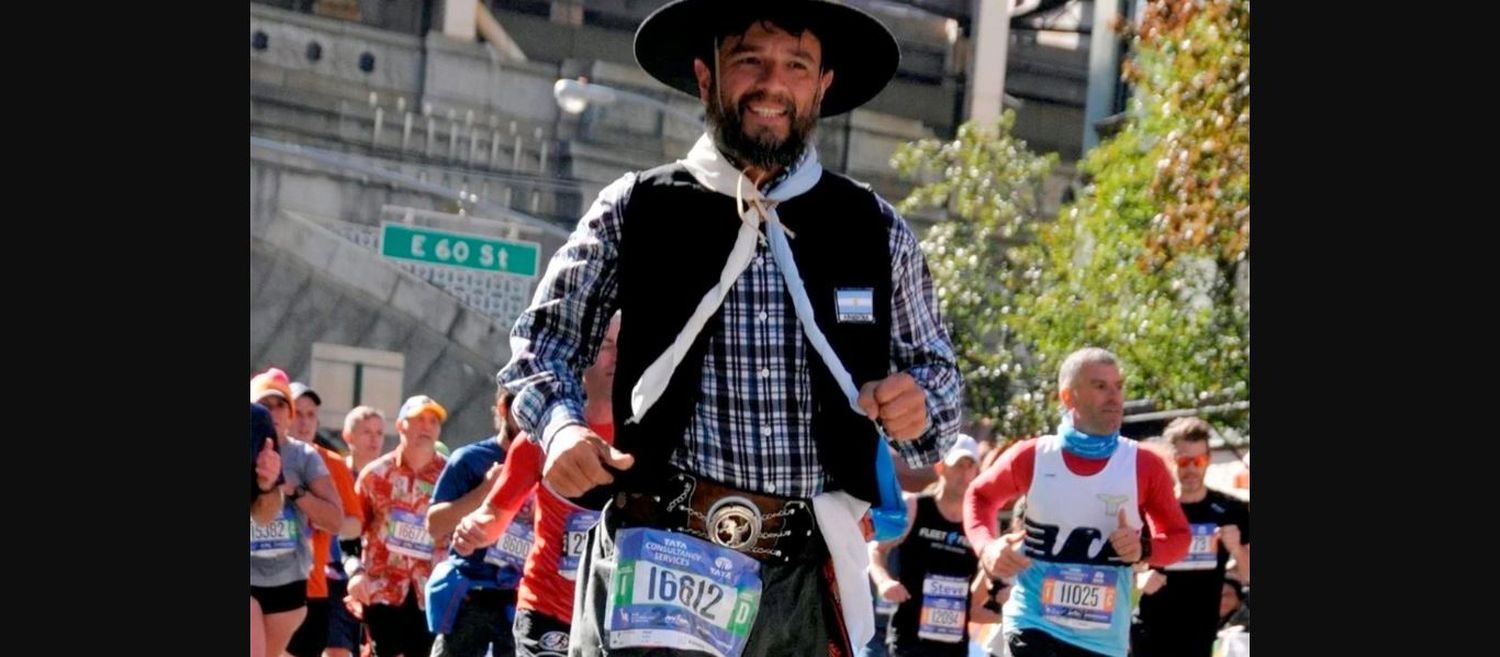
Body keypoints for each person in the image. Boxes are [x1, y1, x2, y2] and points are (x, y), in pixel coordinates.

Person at [497, 1, 962, 653]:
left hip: (806, 576)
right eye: (750, 60)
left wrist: (919, 407)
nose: (773, 83)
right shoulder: (637, 208)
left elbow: (940, 385)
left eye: (796, 64)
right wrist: (561, 427)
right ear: (707, 76)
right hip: (659, 555)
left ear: (823, 84)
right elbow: (541, 345)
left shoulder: (876, 230)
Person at [962, 348, 1190, 657]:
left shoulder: (1144, 464)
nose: (1114, 397)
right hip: (1033, 624)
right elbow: (979, 496)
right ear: (1068, 397)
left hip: (1103, 640)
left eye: (1118, 386)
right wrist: (987, 548)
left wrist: (1144, 549)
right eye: (1100, 386)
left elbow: (1178, 538)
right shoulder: (1033, 456)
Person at [451, 313, 620, 657]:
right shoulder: (544, 435)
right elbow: (493, 516)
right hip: (546, 611)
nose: (617, 357)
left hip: (618, 617)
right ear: (582, 357)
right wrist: (473, 529)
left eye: (625, 347)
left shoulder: (656, 440)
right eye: (605, 346)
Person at [1132, 418, 1250, 657]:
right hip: (1150, 629)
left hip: (1199, 633)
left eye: (1199, 461)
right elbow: (1124, 565)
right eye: (1184, 461)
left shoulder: (1230, 510)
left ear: (1208, 460)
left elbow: (1248, 575)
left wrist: (1236, 549)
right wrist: (1140, 578)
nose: (1192, 469)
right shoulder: (1149, 509)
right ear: (1171, 461)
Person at [346, 395, 450, 657]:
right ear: (401, 425)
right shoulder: (375, 474)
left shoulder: (452, 476)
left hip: (430, 591)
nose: (427, 427)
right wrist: (355, 572)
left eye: (433, 421)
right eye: (419, 420)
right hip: (383, 588)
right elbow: (349, 533)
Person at [868, 434, 988, 657]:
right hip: (908, 642)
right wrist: (884, 582)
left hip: (955, 646)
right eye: (957, 465)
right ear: (940, 467)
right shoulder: (914, 507)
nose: (964, 474)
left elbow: (984, 584)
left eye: (969, 466)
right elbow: (876, 549)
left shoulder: (979, 522)